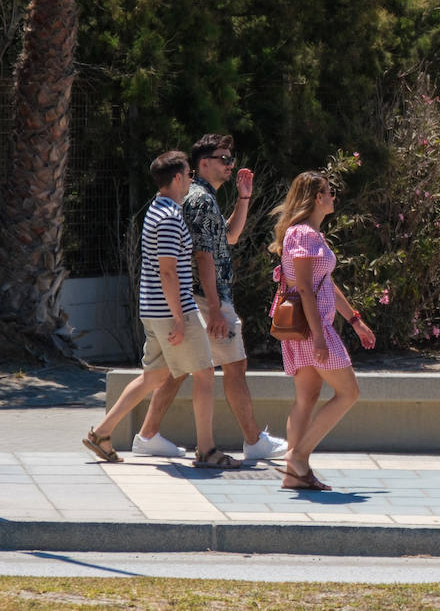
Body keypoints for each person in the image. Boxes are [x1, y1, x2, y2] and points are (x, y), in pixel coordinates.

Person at [131, 134, 287, 460]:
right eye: (223, 158)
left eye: (231, 158)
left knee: (184, 368)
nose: (231, 164)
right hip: (207, 297)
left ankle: (147, 435)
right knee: (234, 363)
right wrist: (215, 308)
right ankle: (252, 441)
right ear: (204, 163)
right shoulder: (200, 199)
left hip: (205, 296)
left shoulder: (206, 198)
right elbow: (203, 256)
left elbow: (227, 238)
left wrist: (244, 198)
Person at [82, 152, 241, 469]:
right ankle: (207, 450)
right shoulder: (169, 217)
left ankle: (101, 433)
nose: (192, 180)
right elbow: (168, 272)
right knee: (205, 373)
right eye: (189, 174)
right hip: (172, 311)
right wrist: (181, 320)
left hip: (155, 310)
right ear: (179, 178)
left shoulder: (158, 209)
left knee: (153, 376)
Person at [269, 171, 375, 491]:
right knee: (349, 392)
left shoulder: (309, 234)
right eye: (328, 192)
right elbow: (304, 288)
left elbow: (324, 282)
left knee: (307, 398)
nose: (333, 198)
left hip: (305, 327)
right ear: (317, 198)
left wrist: (355, 321)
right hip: (310, 328)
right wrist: (318, 336)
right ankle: (298, 457)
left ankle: (294, 475)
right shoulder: (304, 235)